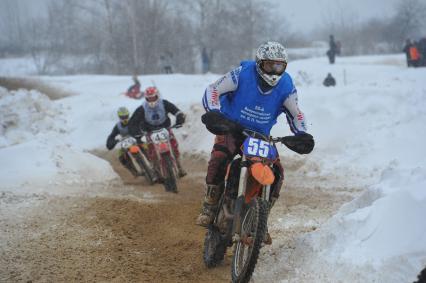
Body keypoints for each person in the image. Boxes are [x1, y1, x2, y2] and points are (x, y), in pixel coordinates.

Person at [196, 41, 315, 242]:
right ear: (259, 64)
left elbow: (296, 113)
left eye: (279, 66)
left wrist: (302, 134)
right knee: (220, 156)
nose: (274, 71)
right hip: (231, 127)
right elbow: (213, 90)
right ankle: (210, 203)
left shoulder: (286, 85)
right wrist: (214, 112)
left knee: (277, 173)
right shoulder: (242, 73)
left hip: (260, 136)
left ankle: (260, 218)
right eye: (270, 65)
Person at [128, 86, 186, 177]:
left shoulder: (164, 103)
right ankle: (155, 169)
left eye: (153, 97)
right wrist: (136, 132)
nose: (151, 100)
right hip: (149, 131)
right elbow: (133, 122)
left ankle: (179, 166)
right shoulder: (142, 108)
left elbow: (176, 111)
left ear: (157, 96)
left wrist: (180, 118)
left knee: (174, 145)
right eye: (149, 98)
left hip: (165, 128)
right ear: (146, 98)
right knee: (152, 151)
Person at [106, 107, 139, 176]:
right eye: (122, 117)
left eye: (126, 116)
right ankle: (134, 171)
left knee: (148, 146)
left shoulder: (134, 121)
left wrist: (142, 131)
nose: (125, 118)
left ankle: (154, 163)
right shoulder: (118, 126)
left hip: (137, 140)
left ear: (128, 115)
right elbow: (111, 136)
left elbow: (142, 125)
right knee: (121, 156)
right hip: (126, 144)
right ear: (119, 117)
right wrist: (112, 142)